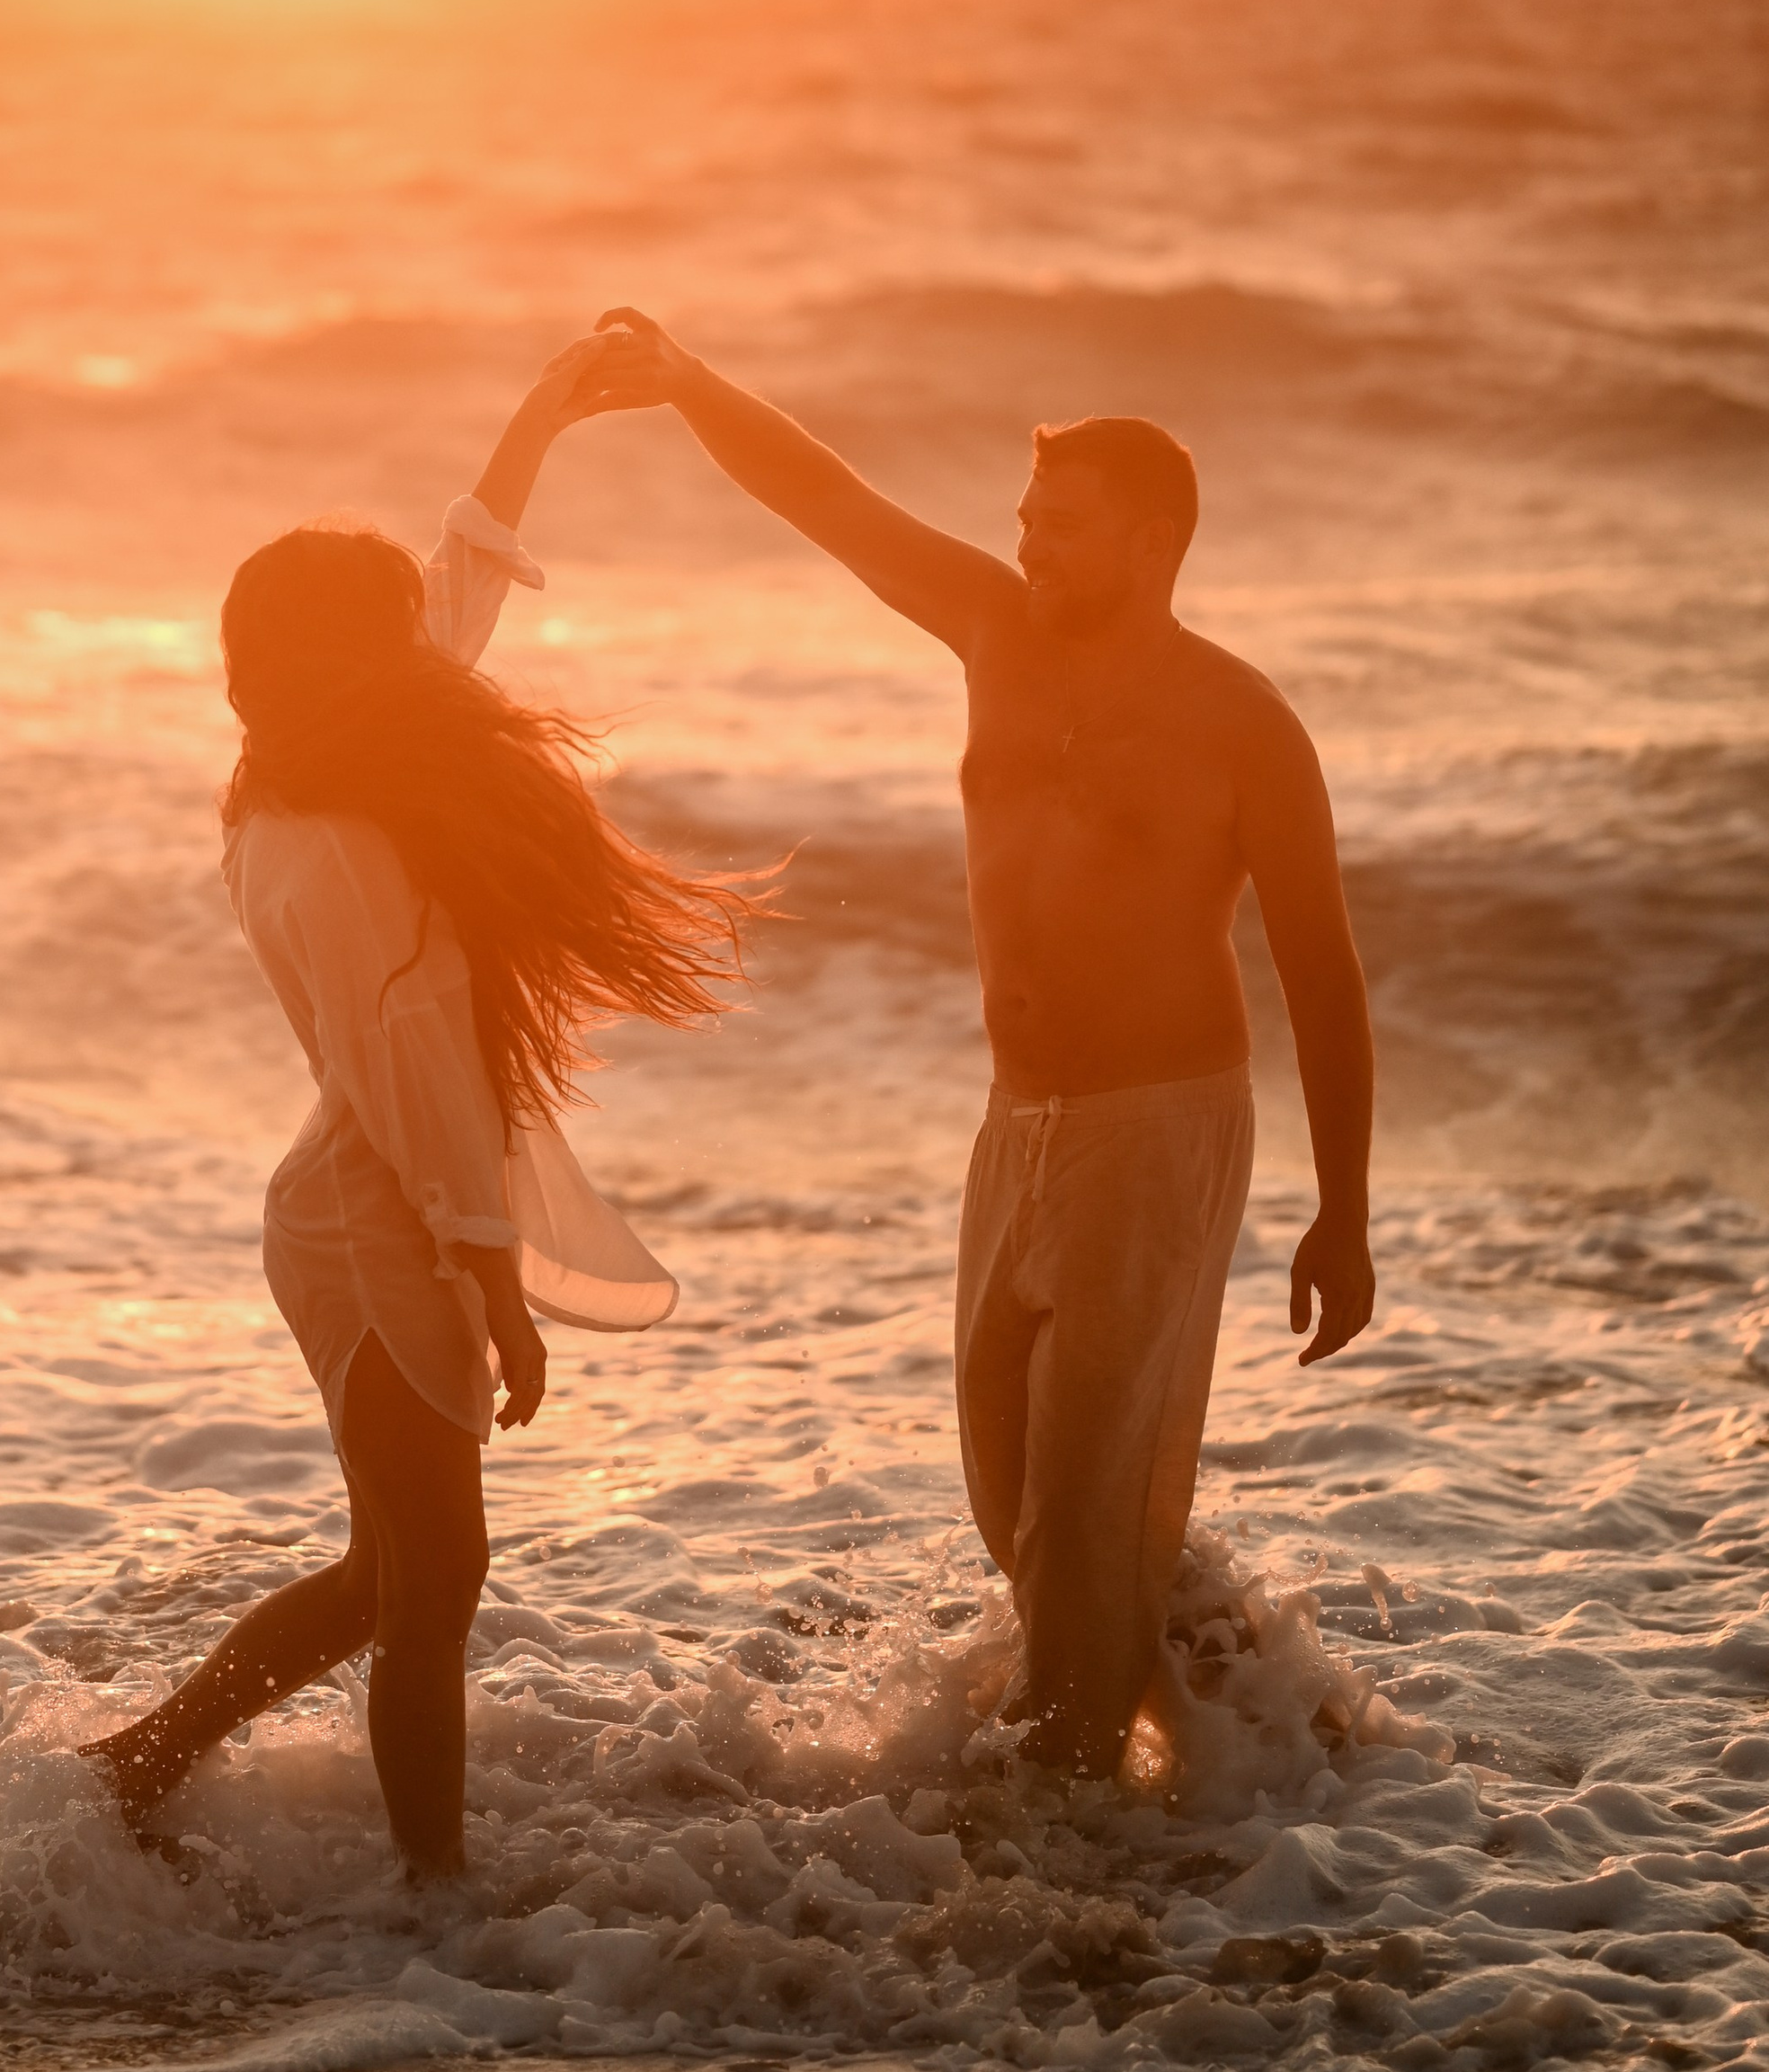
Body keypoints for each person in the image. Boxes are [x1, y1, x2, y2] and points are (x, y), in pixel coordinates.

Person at [583, 310, 1376, 1785]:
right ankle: (1232, 1709)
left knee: (1076, 1517)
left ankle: (1074, 1863)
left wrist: (1346, 1212)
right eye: (1024, 518)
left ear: (1151, 540)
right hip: (1018, 1122)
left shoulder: (1243, 725)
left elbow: (1324, 977)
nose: (1026, 546)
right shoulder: (995, 630)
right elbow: (829, 502)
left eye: (1060, 527)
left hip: (1158, 1125)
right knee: (1013, 1499)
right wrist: (691, 381)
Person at [87, 336, 752, 1880]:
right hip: (369, 1216)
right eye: (382, 631)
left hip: (368, 1203)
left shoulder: (321, 757)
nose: (417, 645)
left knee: (394, 1575)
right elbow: (417, 1082)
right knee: (432, 1581)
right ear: (339, 657)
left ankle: (146, 1761)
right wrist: (496, 1282)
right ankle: (433, 1901)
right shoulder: (329, 836)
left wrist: (543, 412)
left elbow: (455, 598)